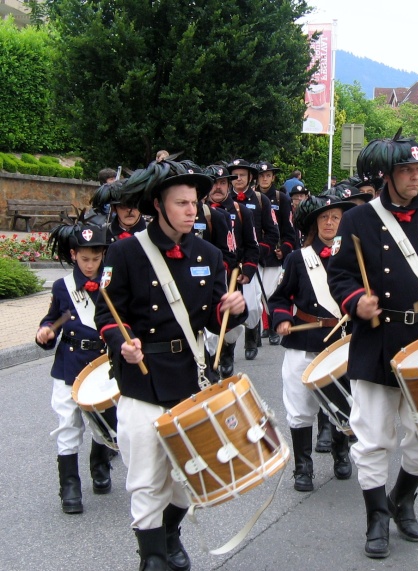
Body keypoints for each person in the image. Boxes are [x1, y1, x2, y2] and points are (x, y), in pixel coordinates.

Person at [327, 131, 418, 559]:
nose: (415, 177)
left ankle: (403, 499)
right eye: (407, 171)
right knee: (373, 436)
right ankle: (376, 517)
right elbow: (339, 276)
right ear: (387, 175)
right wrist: (357, 302)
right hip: (376, 340)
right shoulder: (357, 220)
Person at [95, 159, 247, 571]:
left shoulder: (210, 254)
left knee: (187, 477)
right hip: (141, 381)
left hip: (191, 377)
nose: (191, 210)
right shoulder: (125, 251)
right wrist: (121, 342)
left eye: (194, 202)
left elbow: (217, 320)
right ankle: (153, 558)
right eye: (181, 203)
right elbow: (107, 314)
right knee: (146, 479)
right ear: (158, 206)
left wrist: (234, 308)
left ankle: (170, 532)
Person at [268, 196, 356, 492]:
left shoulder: (355, 258)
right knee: (299, 408)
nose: (330, 223)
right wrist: (281, 318)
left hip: (342, 344)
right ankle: (302, 467)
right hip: (304, 341)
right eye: (324, 218)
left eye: (336, 218)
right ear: (315, 223)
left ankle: (341, 453)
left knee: (343, 402)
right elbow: (279, 297)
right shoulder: (298, 258)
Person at [36, 221, 113, 514]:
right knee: (68, 423)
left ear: (103, 255)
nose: (90, 264)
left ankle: (100, 465)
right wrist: (45, 331)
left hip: (102, 364)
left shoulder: (112, 281)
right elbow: (51, 318)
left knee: (101, 424)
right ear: (73, 255)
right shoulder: (62, 287)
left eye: (95, 258)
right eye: (84, 259)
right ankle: (69, 485)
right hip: (69, 364)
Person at [204, 164, 260, 377]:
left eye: (222, 183)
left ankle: (227, 350)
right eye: (214, 183)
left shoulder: (240, 210)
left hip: (230, 277)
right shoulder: (199, 212)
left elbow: (252, 244)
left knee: (232, 321)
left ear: (228, 185)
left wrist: (248, 269)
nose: (217, 188)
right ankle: (211, 364)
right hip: (204, 278)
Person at [228, 159, 280, 358]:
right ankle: (228, 349)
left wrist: (258, 253)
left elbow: (273, 233)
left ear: (250, 178)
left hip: (252, 260)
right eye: (234, 175)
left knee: (251, 305)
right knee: (228, 306)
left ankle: (251, 338)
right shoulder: (222, 202)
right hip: (228, 263)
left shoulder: (260, 200)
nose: (238, 179)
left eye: (242, 175)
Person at [253, 160, 297, 345]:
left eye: (268, 175)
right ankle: (253, 333)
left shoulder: (281, 198)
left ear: (273, 177)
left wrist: (285, 248)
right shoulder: (249, 198)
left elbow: (289, 229)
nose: (265, 178)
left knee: (270, 292)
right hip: (253, 253)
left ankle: (271, 327)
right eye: (262, 175)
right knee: (254, 297)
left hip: (273, 253)